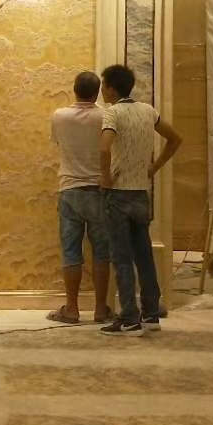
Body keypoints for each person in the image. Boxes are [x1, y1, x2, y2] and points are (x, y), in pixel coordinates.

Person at [97, 64, 182, 337]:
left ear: (112, 88)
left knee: (121, 258)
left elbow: (104, 148)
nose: (102, 90)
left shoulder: (113, 113)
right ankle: (151, 314)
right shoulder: (148, 111)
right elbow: (175, 139)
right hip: (141, 194)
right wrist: (154, 167)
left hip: (118, 194)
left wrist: (105, 178)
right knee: (144, 256)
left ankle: (129, 317)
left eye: (104, 85)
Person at [48, 71, 113, 324]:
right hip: (99, 191)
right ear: (97, 92)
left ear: (74, 89)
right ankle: (100, 309)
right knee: (101, 252)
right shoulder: (106, 116)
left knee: (71, 251)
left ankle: (72, 309)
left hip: (70, 190)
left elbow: (58, 143)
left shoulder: (59, 116)